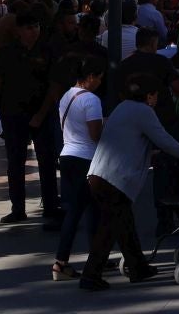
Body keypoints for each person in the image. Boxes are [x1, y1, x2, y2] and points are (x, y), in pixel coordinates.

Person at [78, 77, 179, 291]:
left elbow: (132, 140)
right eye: (155, 94)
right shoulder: (144, 111)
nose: (156, 99)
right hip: (115, 180)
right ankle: (90, 276)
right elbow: (165, 140)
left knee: (124, 226)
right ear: (149, 96)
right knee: (109, 229)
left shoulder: (123, 107)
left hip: (98, 175)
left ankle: (138, 268)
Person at [0, 13, 60, 224]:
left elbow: (53, 86)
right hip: (13, 114)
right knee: (15, 163)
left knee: (46, 161)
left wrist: (41, 114)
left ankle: (51, 207)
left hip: (41, 114)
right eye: (29, 27)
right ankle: (17, 208)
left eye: (36, 26)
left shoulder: (47, 51)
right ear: (18, 31)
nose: (33, 31)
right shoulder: (6, 52)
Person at [52, 57, 105, 280]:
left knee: (86, 210)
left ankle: (95, 257)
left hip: (68, 156)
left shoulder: (66, 96)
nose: (101, 83)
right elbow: (95, 134)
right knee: (83, 212)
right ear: (91, 77)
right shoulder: (91, 100)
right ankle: (61, 262)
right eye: (100, 78)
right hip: (87, 159)